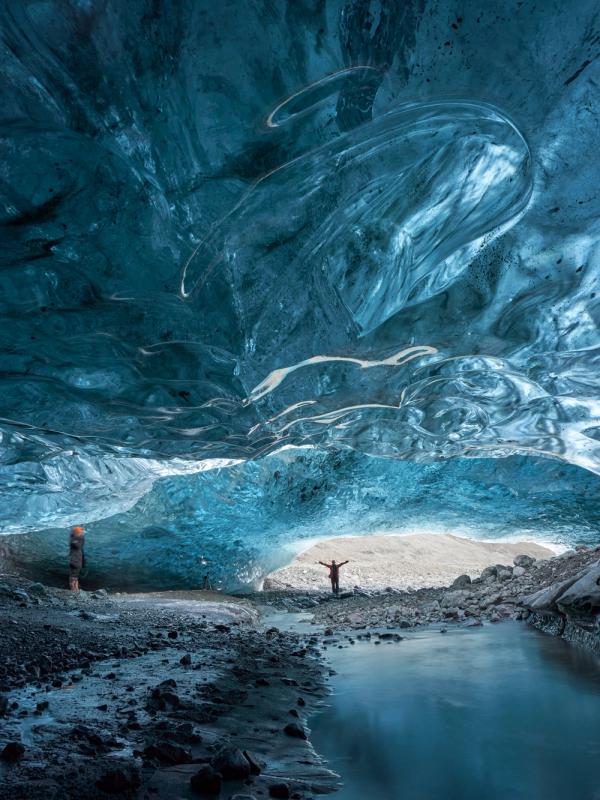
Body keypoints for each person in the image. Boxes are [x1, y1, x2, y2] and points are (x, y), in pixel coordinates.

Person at [69, 525, 86, 592]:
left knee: (75, 575)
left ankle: (75, 588)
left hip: (78, 560)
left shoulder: (76, 540)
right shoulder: (74, 541)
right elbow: (75, 544)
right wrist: (80, 536)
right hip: (74, 560)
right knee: (73, 575)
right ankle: (73, 589)